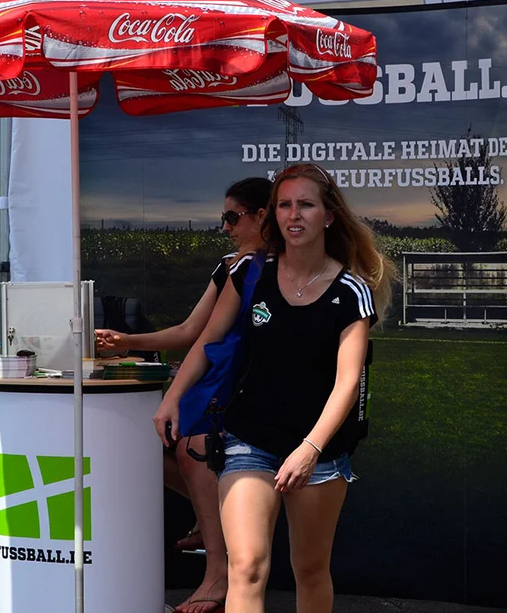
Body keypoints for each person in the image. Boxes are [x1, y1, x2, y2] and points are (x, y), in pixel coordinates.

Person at [153, 163, 393, 613]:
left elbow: (347, 382)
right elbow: (207, 341)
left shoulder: (351, 291)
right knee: (246, 568)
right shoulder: (249, 272)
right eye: (284, 205)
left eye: (305, 204)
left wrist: (310, 448)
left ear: (328, 215)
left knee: (309, 569)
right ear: (273, 215)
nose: (293, 215)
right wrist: (172, 398)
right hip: (250, 440)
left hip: (319, 451)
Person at [96, 176, 273, 613]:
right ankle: (210, 519)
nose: (226, 227)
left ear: (260, 216)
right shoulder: (232, 267)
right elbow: (193, 332)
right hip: (218, 378)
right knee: (152, 443)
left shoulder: (283, 268)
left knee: (194, 446)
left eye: (233, 217)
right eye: (223, 218)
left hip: (247, 385)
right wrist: (125, 342)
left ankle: (216, 571)